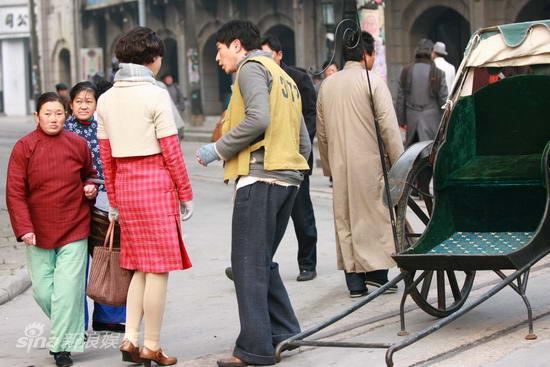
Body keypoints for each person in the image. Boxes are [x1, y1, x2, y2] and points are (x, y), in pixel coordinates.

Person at [196, 20, 311, 367]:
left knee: (246, 266)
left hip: (260, 179)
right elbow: (304, 140)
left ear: (235, 45)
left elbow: (258, 119)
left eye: (218, 50)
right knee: (260, 262)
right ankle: (286, 331)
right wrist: (293, 170)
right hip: (288, 179)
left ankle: (255, 349)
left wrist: (217, 149)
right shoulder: (284, 77)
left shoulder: (249, 69)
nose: (218, 59)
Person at [96, 27, 193, 366]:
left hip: (125, 186)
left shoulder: (106, 99)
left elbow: (105, 157)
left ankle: (129, 338)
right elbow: (171, 150)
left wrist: (114, 201)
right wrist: (185, 194)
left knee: (136, 267)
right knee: (159, 270)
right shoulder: (156, 95)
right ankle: (151, 345)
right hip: (156, 184)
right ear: (151, 59)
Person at [6, 92, 98, 367]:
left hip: (74, 224)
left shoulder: (77, 144)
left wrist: (91, 187)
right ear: (37, 116)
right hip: (37, 229)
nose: (54, 119)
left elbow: (90, 173)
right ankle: (71, 328)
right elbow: (15, 193)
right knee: (44, 292)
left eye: (59, 113)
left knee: (68, 289)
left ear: (66, 115)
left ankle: (61, 348)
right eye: (48, 113)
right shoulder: (24, 148)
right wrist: (24, 228)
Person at [316, 31, 404, 298]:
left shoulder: (327, 86)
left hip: (340, 165)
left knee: (345, 219)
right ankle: (377, 275)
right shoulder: (372, 82)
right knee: (373, 218)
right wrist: (401, 166)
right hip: (370, 164)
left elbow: (321, 135)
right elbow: (389, 129)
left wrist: (329, 168)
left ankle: (354, 281)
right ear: (366, 54)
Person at [65, 81, 127, 334]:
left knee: (107, 255)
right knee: (77, 264)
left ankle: (108, 315)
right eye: (78, 101)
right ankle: (75, 324)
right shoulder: (64, 130)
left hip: (103, 201)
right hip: (73, 202)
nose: (83, 106)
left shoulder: (104, 127)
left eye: (88, 101)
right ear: (70, 105)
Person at [261, 35, 318, 281]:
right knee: (265, 215)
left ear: (279, 54)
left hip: (296, 156)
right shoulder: (259, 79)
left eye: (268, 54)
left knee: (300, 212)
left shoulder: (299, 78)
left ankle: (307, 263)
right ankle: (258, 264)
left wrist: (298, 146)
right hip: (268, 158)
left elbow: (311, 116)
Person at [396, 38, 448, 148]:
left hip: (411, 119)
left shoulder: (405, 71)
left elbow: (400, 98)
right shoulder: (438, 73)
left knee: (412, 154)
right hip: (432, 121)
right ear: (431, 53)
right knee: (430, 152)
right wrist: (446, 122)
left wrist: (401, 120)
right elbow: (444, 100)